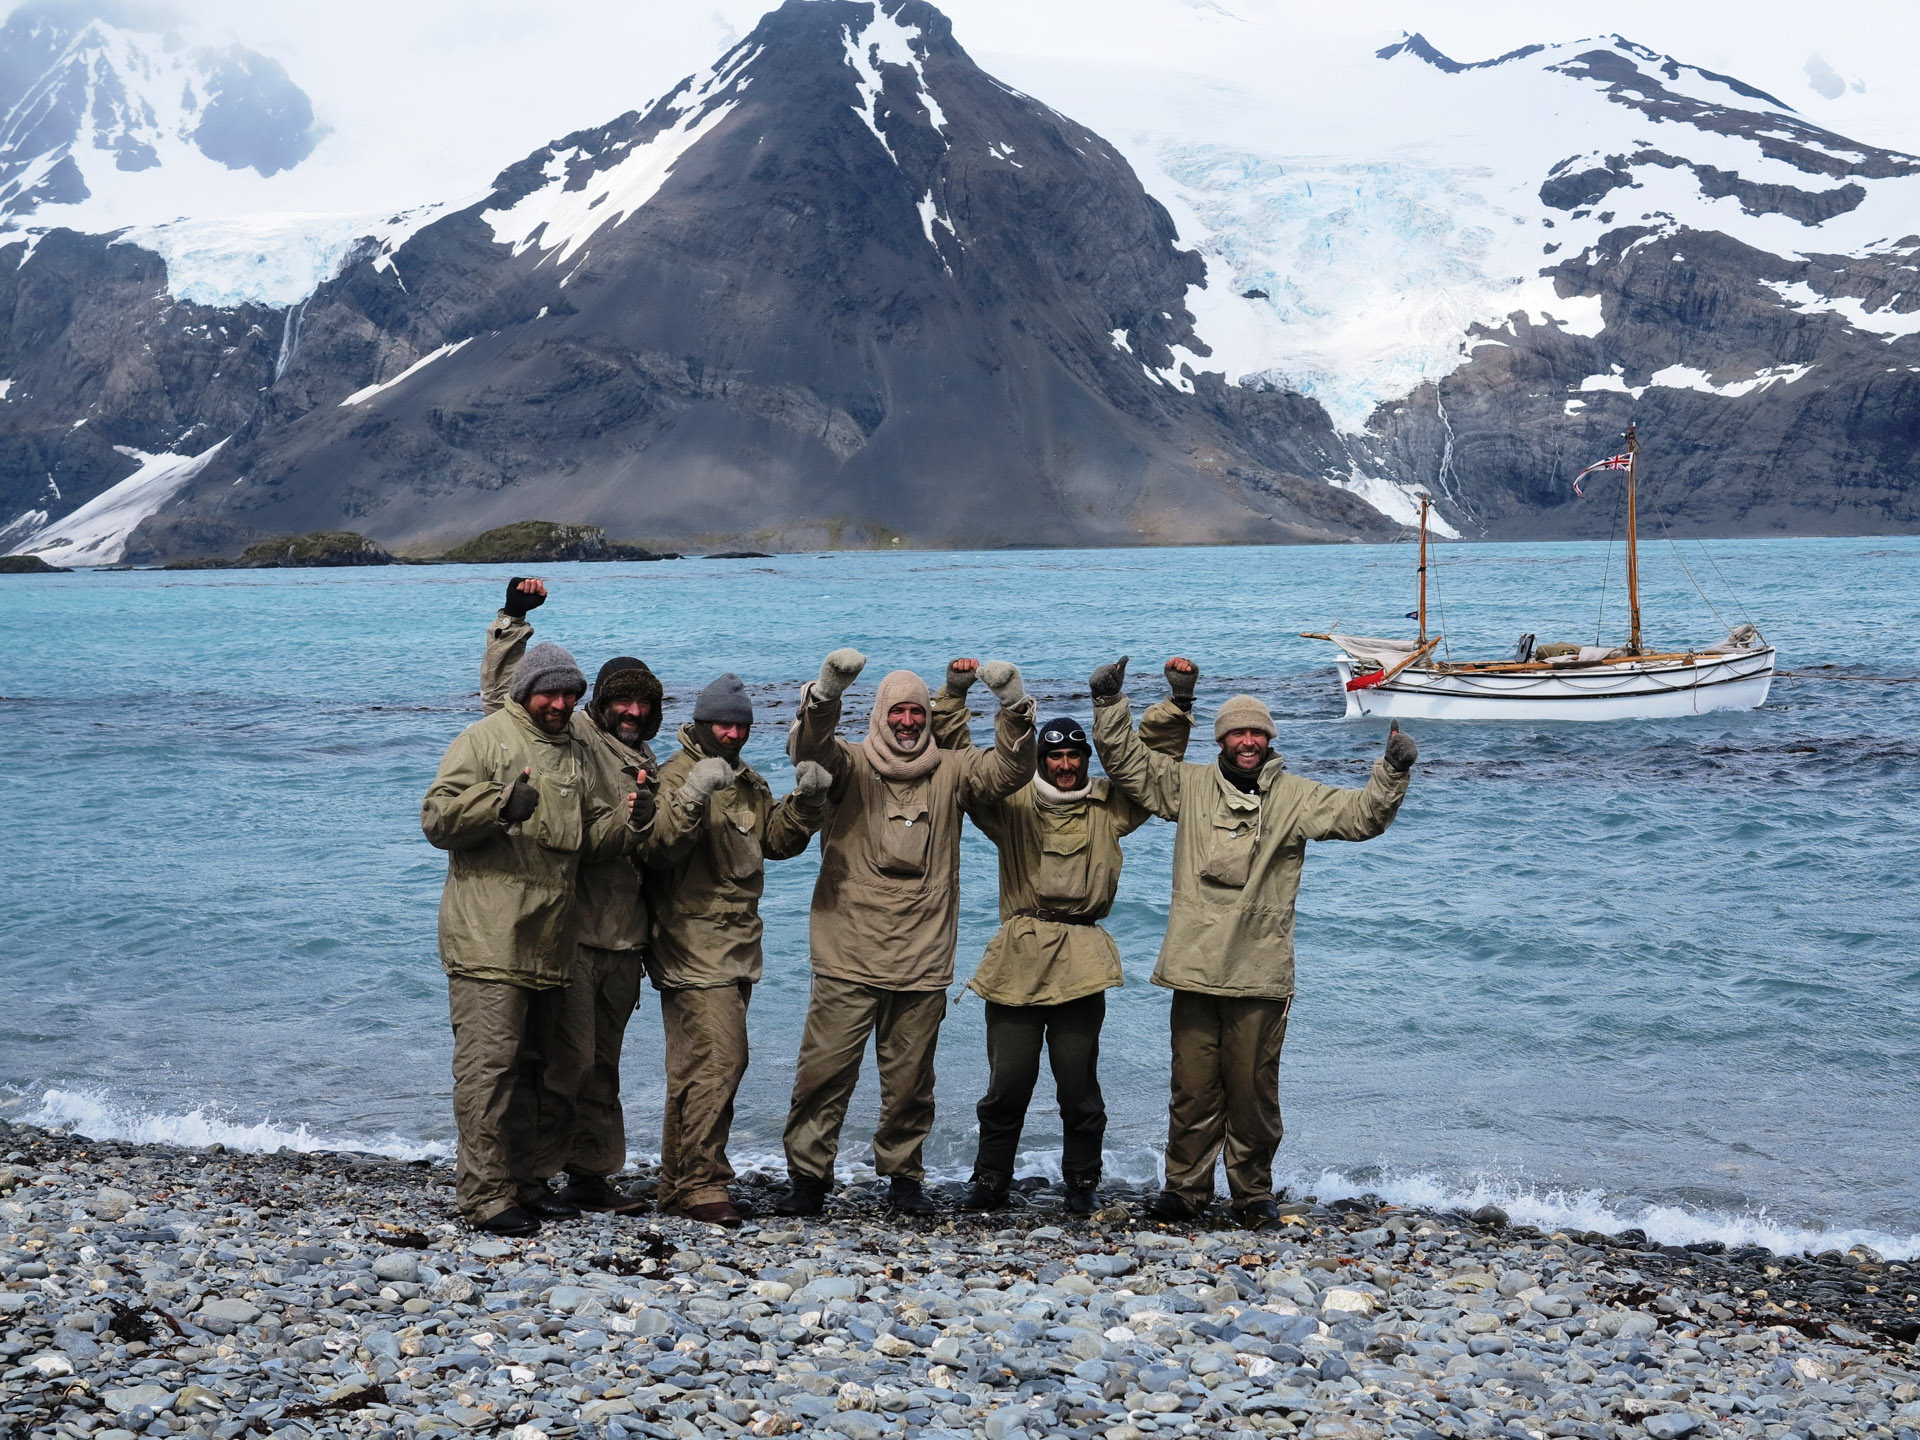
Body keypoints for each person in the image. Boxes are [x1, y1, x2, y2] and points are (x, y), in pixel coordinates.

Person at [1088, 655, 1417, 1228]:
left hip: (1260, 976)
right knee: (1191, 1090)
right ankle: (1185, 1190)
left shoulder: (1295, 798)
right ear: (1221, 740)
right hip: (1193, 969)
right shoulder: (1187, 786)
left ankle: (1252, 1193)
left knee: (1253, 1094)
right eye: (1238, 732)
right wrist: (1109, 702)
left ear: (1269, 740)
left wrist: (1391, 769)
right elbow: (1128, 765)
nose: (1247, 741)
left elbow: (1364, 817)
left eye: (1257, 733)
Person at [930, 656, 1196, 1217]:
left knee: (1079, 1088)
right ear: (1041, 759)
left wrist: (1178, 701)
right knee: (1007, 1085)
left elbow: (1151, 769)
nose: (1068, 764)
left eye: (1076, 754)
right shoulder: (1011, 805)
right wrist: (953, 695)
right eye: (1056, 755)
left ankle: (1082, 1183)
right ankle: (990, 1180)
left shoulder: (1110, 805)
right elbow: (964, 768)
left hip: (1082, 959)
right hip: (1017, 957)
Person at [778, 648, 1036, 1216]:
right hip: (846, 952)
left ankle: (904, 1177)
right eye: (897, 712)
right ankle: (807, 1178)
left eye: (917, 713)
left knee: (911, 1084)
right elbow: (807, 748)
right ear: (879, 715)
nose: (908, 722)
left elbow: (1011, 771)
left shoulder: (952, 769)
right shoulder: (848, 764)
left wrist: (1013, 705)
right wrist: (825, 692)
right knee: (823, 1075)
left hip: (922, 957)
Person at [422, 640, 647, 1236]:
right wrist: (499, 804)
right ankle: (485, 1196)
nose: (562, 702)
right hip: (488, 938)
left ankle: (525, 1182)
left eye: (571, 693)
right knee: (489, 1069)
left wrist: (632, 819)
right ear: (525, 689)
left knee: (546, 1068)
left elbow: (595, 836)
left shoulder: (574, 748)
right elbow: (436, 820)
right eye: (551, 691)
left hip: (552, 940)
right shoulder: (484, 739)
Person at [479, 578, 663, 1215]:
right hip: (572, 930)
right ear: (600, 706)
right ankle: (533, 1175)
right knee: (565, 1063)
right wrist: (513, 621)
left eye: (644, 703)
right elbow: (505, 697)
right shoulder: (574, 736)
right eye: (623, 702)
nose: (633, 712)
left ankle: (589, 1172)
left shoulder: (649, 762)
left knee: (602, 1065)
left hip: (627, 935)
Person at [640, 673, 833, 1226]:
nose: (732, 733)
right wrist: (694, 794)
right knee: (724, 1060)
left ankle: (677, 1183)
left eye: (742, 725)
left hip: (738, 944)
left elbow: (774, 843)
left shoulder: (748, 780)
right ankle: (703, 1183)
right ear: (701, 723)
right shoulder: (674, 774)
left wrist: (808, 802)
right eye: (723, 723)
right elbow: (658, 851)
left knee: (696, 1068)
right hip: (688, 943)